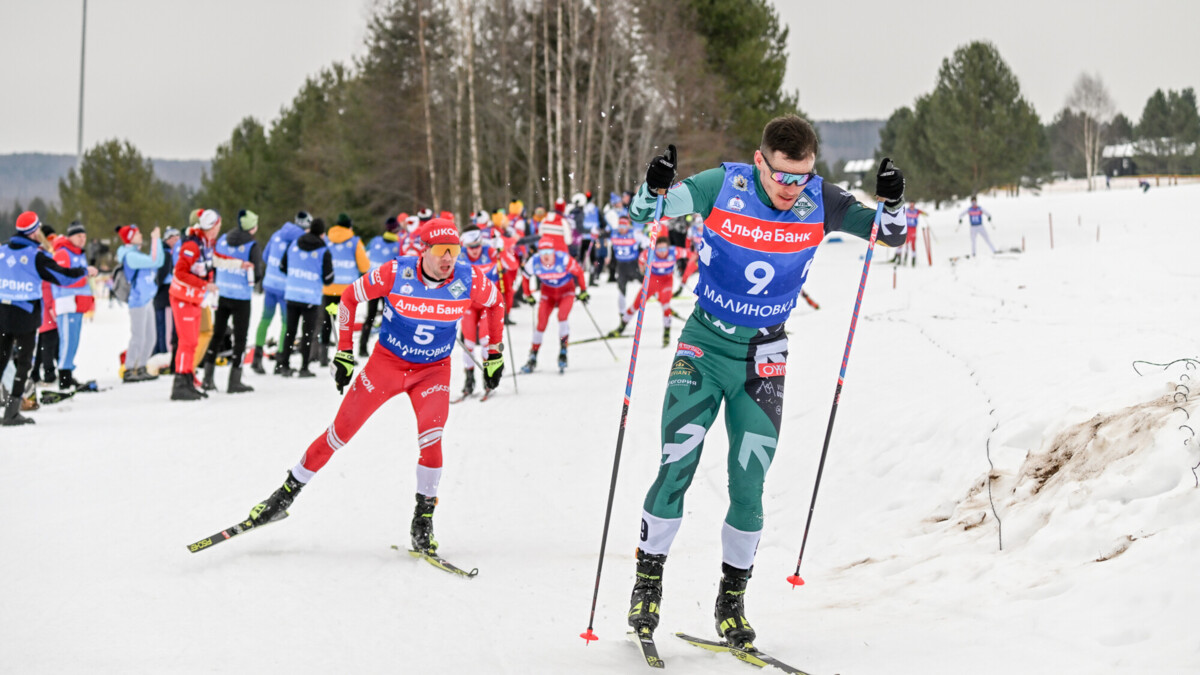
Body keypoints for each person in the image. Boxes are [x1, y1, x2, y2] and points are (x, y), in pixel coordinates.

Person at [622, 115, 908, 647]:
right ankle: (647, 584)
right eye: (781, 177)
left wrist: (892, 202)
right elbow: (647, 213)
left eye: (801, 177)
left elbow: (889, 236)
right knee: (676, 462)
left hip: (765, 356)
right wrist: (654, 184)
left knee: (749, 484)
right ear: (760, 161)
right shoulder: (721, 186)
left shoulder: (822, 200)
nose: (790, 189)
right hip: (705, 346)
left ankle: (731, 602)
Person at [244, 219, 506, 557]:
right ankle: (283, 495)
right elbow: (350, 297)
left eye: (453, 252)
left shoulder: (468, 277)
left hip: (432, 371)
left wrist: (493, 354)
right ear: (423, 250)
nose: (448, 259)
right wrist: (344, 352)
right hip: (387, 366)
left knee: (432, 437)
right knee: (338, 434)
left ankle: (422, 520)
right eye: (442, 251)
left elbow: (496, 304)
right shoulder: (397, 272)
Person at [0, 212, 95, 425]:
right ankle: (11, 411)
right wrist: (84, 271)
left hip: (3, 314)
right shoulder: (36, 255)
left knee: (2, 359)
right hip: (25, 316)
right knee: (23, 364)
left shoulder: (2, 250)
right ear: (35, 231)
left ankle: (11, 408)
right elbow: (61, 276)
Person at [201, 210, 262, 393]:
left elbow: (214, 263)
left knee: (217, 335)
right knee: (240, 339)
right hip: (241, 297)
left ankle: (207, 379)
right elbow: (257, 274)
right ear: (253, 226)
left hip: (222, 293)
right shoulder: (252, 244)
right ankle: (234, 381)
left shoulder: (223, 239)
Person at [169, 209, 223, 400]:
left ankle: (188, 379)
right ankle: (180, 383)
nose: (219, 230)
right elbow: (180, 273)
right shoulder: (192, 245)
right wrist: (204, 284)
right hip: (183, 297)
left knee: (192, 341)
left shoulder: (205, 243)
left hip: (194, 298)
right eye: (217, 226)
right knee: (188, 341)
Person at [518, 238, 589, 374]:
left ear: (553, 252)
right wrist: (528, 295)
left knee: (562, 316)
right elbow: (525, 277)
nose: (546, 255)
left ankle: (563, 351)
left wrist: (584, 291)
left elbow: (579, 272)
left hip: (566, 292)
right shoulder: (534, 261)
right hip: (548, 294)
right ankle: (533, 355)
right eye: (542, 251)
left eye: (548, 251)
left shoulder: (563, 259)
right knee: (541, 324)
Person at [253, 211, 310, 374]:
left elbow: (265, 256)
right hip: (285, 288)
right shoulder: (300, 240)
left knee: (265, 319)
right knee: (287, 324)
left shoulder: (277, 233)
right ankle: (280, 360)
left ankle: (256, 359)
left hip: (270, 283)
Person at [276, 217, 333, 377]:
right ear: (322, 233)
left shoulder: (293, 244)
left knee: (290, 331)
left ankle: (284, 366)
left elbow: (282, 267)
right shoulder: (323, 250)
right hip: (310, 297)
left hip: (292, 294)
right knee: (307, 333)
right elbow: (329, 279)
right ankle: (304, 367)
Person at [611, 235, 685, 347]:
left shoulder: (675, 252)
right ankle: (622, 326)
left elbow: (691, 254)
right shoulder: (649, 252)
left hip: (667, 281)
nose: (662, 252)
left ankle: (666, 333)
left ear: (668, 248)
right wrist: (642, 268)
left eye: (664, 249)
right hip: (652, 281)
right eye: (659, 249)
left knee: (666, 305)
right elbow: (641, 258)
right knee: (636, 304)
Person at [318, 213, 370, 367]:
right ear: (349, 226)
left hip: (329, 288)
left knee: (328, 321)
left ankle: (323, 355)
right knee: (346, 323)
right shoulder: (354, 242)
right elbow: (365, 266)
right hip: (347, 290)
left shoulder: (327, 240)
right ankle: (345, 356)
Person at [456, 226, 502, 397]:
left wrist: (503, 251)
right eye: (470, 247)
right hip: (469, 303)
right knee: (468, 341)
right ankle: (469, 379)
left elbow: (512, 264)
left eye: (477, 246)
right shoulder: (459, 255)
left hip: (487, 303)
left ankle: (488, 376)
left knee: (484, 339)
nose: (474, 251)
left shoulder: (490, 250)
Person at [115, 224, 163, 383]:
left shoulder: (135, 253)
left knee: (150, 337)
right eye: (137, 234)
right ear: (130, 238)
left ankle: (141, 366)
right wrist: (156, 240)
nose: (140, 235)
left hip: (147, 299)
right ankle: (129, 369)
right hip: (138, 301)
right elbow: (156, 261)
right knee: (138, 337)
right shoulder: (130, 256)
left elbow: (155, 261)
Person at [52, 221, 94, 390]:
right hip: (67, 303)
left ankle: (68, 374)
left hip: (77, 304)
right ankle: (63, 378)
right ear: (70, 237)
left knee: (74, 341)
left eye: (84, 236)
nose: (82, 239)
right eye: (79, 236)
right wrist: (85, 277)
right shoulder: (63, 253)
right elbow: (62, 279)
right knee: (68, 341)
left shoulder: (78, 253)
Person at [361, 216, 404, 357]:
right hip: (387, 288)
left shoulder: (375, 241)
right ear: (397, 230)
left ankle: (362, 347)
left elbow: (365, 251)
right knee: (390, 318)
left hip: (373, 284)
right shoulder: (399, 245)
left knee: (370, 316)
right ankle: (388, 350)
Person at [608, 215, 648, 320]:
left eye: (624, 225)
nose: (621, 227)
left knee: (646, 283)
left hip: (633, 264)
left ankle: (659, 297)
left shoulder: (634, 233)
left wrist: (644, 252)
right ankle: (622, 313)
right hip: (621, 265)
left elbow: (647, 241)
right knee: (621, 288)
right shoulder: (614, 233)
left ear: (627, 226)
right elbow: (607, 241)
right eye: (620, 225)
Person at [153, 227, 181, 361]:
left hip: (161, 294)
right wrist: (157, 288)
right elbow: (162, 275)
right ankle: (164, 354)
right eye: (174, 239)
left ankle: (160, 351)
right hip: (164, 294)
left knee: (160, 325)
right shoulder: (167, 254)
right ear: (168, 240)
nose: (177, 242)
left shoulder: (163, 252)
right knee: (165, 326)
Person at [899, 201, 929, 266]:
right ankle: (905, 259)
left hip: (913, 229)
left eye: (913, 204)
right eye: (911, 204)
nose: (912, 206)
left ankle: (913, 260)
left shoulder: (916, 211)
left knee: (913, 244)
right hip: (907, 229)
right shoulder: (906, 210)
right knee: (906, 243)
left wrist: (925, 214)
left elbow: (924, 213)